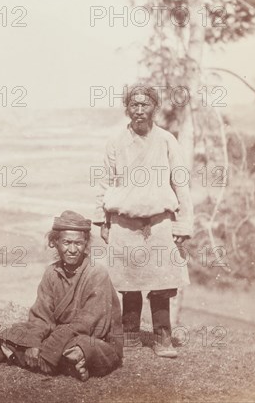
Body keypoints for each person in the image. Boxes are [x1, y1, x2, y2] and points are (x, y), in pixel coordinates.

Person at [94, 83, 193, 358]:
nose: (139, 110)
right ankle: (130, 334)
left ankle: (163, 337)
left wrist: (183, 225)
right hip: (124, 221)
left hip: (160, 221)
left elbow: (181, 183)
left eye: (144, 105)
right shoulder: (115, 142)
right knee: (129, 281)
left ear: (154, 108)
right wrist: (101, 221)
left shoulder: (166, 141)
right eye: (134, 105)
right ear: (127, 109)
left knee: (162, 280)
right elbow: (103, 182)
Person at [0, 211, 123, 381]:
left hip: (92, 336)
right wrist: (33, 343)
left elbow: (89, 323)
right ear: (55, 242)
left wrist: (51, 346)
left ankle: (67, 358)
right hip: (61, 335)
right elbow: (41, 317)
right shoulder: (51, 273)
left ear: (86, 244)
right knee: (12, 334)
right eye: (67, 242)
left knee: (83, 347)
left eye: (79, 243)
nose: (73, 250)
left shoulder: (97, 273)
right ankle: (69, 363)